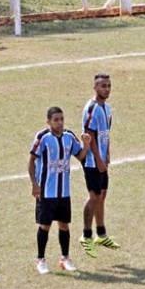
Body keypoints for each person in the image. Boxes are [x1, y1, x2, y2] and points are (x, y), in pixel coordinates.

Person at [28, 107, 92, 274]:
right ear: (48, 121)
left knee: (64, 225)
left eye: (62, 119)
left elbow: (80, 156)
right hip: (46, 192)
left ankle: (65, 258)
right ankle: (40, 260)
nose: (60, 122)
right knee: (45, 226)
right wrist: (35, 184)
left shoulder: (69, 137)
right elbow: (31, 161)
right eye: (56, 119)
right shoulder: (42, 138)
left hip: (63, 191)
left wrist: (86, 144)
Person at [76, 73, 118, 257]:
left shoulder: (107, 108)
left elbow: (105, 133)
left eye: (108, 85)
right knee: (94, 196)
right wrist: (99, 160)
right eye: (103, 86)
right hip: (92, 161)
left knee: (102, 195)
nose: (106, 89)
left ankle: (101, 234)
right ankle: (86, 236)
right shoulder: (92, 108)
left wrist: (107, 154)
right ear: (95, 88)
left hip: (101, 159)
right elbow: (89, 137)